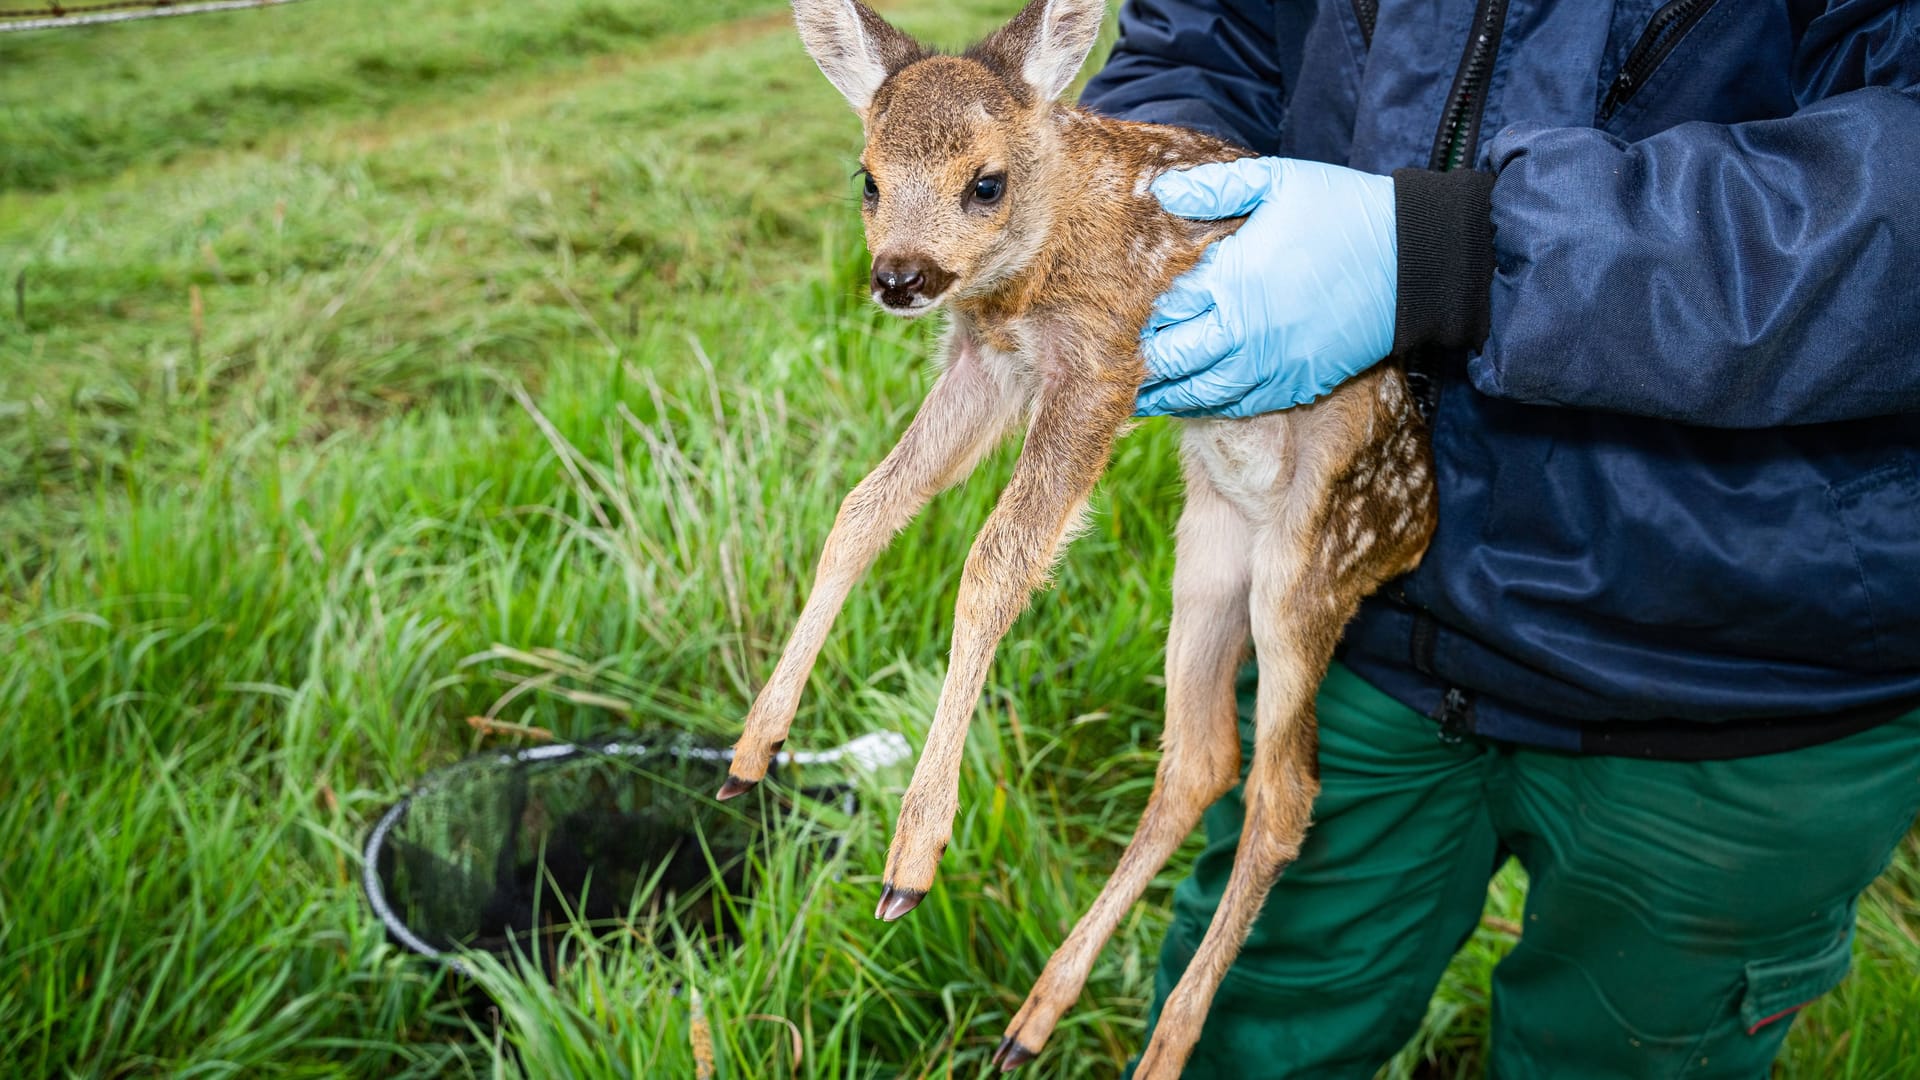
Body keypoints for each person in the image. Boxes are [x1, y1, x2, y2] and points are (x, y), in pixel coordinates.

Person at [1077, 1, 1920, 1075]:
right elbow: (1210, 36)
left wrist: (1456, 253)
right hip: (1354, 620)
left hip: (1747, 670)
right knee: (1257, 1019)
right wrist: (1165, 195)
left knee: (1630, 1049)